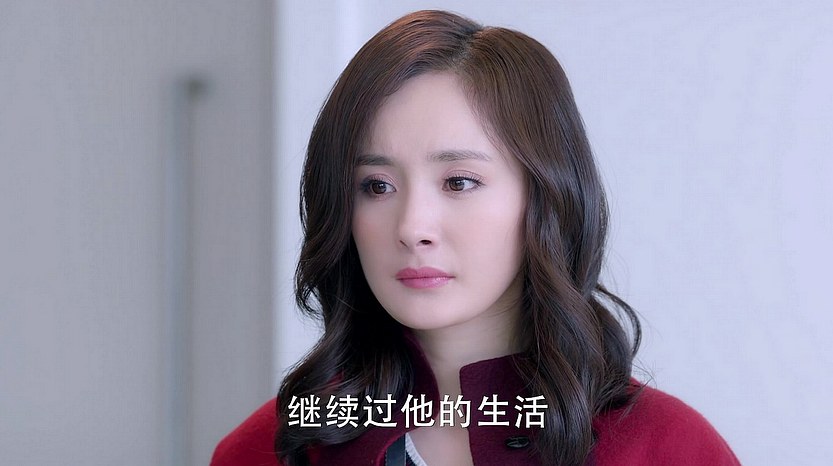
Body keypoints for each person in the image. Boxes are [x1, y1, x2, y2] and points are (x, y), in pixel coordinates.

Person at [212, 10, 740, 466]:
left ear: (545, 196)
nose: (412, 228)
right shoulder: (273, 445)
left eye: (459, 182)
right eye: (376, 186)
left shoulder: (666, 446)